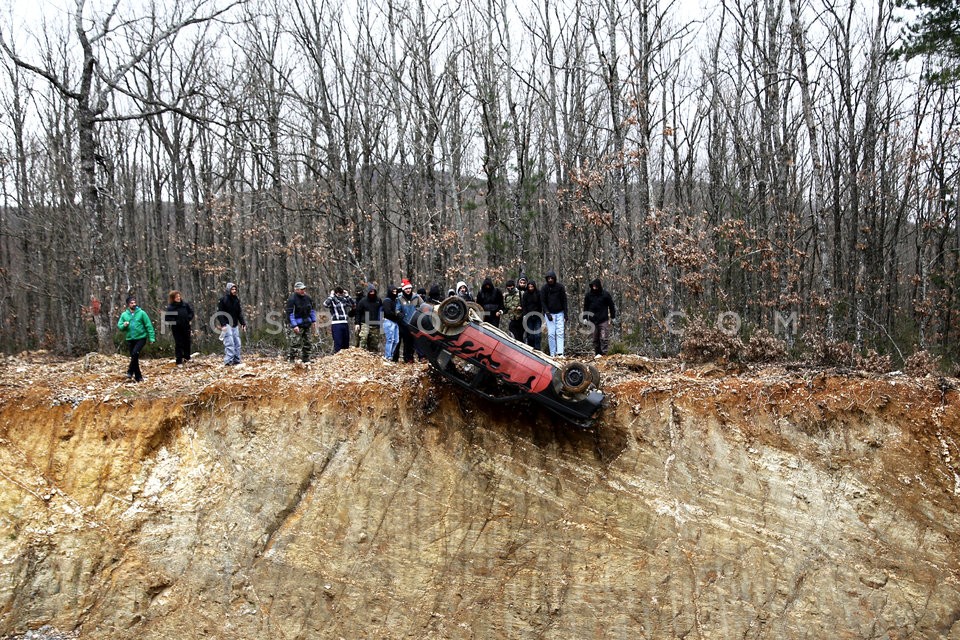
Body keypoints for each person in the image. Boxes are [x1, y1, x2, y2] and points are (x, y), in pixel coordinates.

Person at [117, 294, 155, 382]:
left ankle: (130, 371)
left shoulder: (142, 313)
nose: (134, 304)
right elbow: (119, 326)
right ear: (128, 304)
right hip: (130, 338)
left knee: (134, 353)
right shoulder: (124, 315)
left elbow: (148, 325)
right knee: (134, 357)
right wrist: (124, 325)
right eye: (131, 303)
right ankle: (138, 377)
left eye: (134, 302)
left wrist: (152, 338)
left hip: (141, 338)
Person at [582, 278, 617, 356]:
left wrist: (613, 316)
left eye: (596, 286)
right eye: (593, 286)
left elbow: (611, 306)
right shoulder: (588, 295)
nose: (594, 287)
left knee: (604, 337)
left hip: (603, 319)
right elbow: (585, 307)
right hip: (593, 320)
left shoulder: (605, 295)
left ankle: (604, 353)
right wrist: (585, 317)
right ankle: (597, 353)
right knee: (595, 339)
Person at [286, 281, 317, 362]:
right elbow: (290, 314)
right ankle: (292, 359)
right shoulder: (292, 299)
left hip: (307, 323)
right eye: (301, 289)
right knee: (295, 343)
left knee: (308, 342)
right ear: (296, 290)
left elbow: (312, 310)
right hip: (297, 324)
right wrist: (294, 325)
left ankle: (306, 359)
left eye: (304, 289)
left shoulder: (308, 298)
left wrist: (313, 321)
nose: (303, 290)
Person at [395, 279, 425, 363]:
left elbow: (423, 306)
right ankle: (409, 358)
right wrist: (399, 314)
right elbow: (397, 309)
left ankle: (422, 357)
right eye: (406, 289)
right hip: (405, 324)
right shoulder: (400, 299)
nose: (408, 290)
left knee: (418, 341)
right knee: (407, 342)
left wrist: (421, 313)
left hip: (416, 323)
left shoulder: (417, 297)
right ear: (403, 290)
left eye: (409, 288)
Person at [216, 282, 246, 365]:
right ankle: (228, 361)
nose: (234, 291)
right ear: (228, 290)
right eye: (232, 289)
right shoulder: (223, 300)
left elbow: (239, 313)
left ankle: (236, 360)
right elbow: (220, 313)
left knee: (237, 343)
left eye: (235, 289)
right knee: (230, 343)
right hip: (226, 324)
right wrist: (223, 325)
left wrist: (243, 323)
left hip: (235, 324)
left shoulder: (236, 300)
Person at [540, 271, 568, 357]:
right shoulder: (544, 288)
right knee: (551, 334)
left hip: (560, 313)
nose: (550, 280)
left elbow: (564, 301)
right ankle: (552, 353)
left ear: (554, 278)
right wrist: (547, 313)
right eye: (548, 278)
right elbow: (543, 302)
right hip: (550, 314)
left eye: (552, 278)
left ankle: (560, 353)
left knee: (560, 333)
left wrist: (566, 314)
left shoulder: (560, 287)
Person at [163, 290, 194, 366]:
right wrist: (176, 322)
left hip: (186, 326)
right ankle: (179, 360)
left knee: (187, 342)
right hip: (176, 328)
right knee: (179, 343)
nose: (178, 298)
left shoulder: (185, 305)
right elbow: (167, 318)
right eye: (176, 297)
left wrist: (188, 318)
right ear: (173, 298)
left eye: (179, 296)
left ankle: (187, 358)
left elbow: (191, 312)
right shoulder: (171, 307)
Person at [323, 286, 355, 354]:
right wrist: (331, 296)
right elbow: (325, 304)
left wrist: (347, 296)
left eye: (340, 293)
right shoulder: (332, 300)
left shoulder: (344, 299)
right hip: (336, 323)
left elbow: (353, 305)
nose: (339, 295)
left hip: (345, 323)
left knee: (346, 343)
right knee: (338, 343)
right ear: (335, 293)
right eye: (338, 293)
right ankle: (338, 358)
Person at [354, 284, 383, 353]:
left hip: (375, 323)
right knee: (363, 338)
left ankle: (372, 356)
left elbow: (381, 311)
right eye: (370, 292)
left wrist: (381, 322)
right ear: (368, 292)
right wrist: (357, 323)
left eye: (373, 291)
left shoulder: (378, 300)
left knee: (374, 343)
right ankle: (361, 353)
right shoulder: (363, 301)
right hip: (365, 322)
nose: (372, 293)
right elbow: (358, 312)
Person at [521, 280, 543, 351]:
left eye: (532, 286)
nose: (530, 288)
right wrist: (524, 315)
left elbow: (541, 304)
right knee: (530, 335)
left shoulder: (538, 293)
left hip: (537, 316)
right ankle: (531, 349)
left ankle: (538, 349)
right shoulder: (525, 294)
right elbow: (524, 305)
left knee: (537, 334)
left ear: (534, 286)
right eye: (529, 287)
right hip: (528, 316)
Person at [382, 284, 401, 361]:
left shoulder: (395, 300)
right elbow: (388, 312)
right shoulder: (387, 301)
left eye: (395, 291)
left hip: (395, 322)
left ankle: (391, 355)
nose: (395, 292)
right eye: (393, 291)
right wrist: (397, 315)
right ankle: (387, 356)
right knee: (390, 340)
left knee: (396, 340)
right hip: (389, 321)